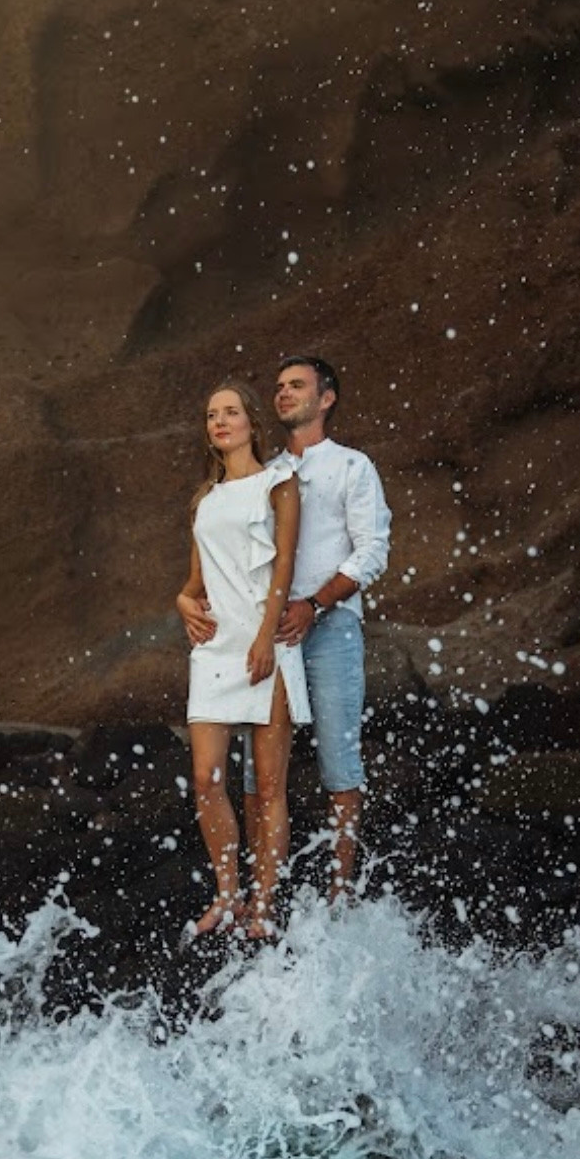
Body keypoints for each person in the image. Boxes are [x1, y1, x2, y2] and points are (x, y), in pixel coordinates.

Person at [245, 355, 391, 902]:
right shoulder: (266, 472)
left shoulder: (353, 467)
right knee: (259, 769)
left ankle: (340, 887)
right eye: (279, 386)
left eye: (296, 386)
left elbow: (373, 550)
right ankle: (263, 891)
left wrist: (315, 604)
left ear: (326, 398)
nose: (283, 393)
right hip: (270, 633)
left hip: (331, 627)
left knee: (338, 754)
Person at [176, 380, 310, 940]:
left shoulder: (280, 484)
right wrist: (181, 601)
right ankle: (227, 894)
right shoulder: (204, 499)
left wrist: (264, 639)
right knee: (207, 779)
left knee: (270, 785)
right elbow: (193, 583)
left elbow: (283, 571)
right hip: (213, 650)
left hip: (265, 643)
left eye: (230, 412)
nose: (220, 422)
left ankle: (264, 904)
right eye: (212, 416)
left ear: (252, 423)